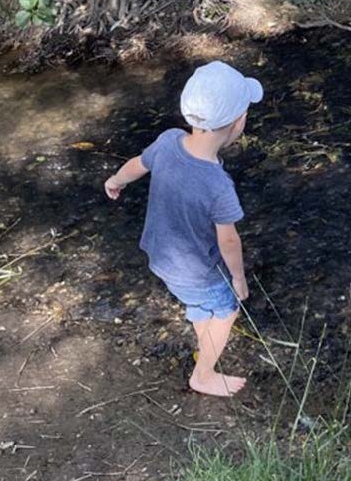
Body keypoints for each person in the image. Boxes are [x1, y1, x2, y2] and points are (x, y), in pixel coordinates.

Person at [103, 60, 263, 397]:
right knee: (227, 311)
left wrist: (115, 180)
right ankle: (202, 375)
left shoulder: (169, 140)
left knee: (199, 305)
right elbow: (229, 241)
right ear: (238, 123)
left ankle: (202, 333)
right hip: (200, 272)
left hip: (161, 260)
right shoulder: (218, 185)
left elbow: (137, 165)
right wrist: (238, 278)